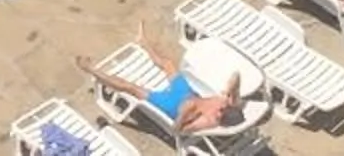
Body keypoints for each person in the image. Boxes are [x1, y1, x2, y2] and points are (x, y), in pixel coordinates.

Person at [77, 45, 241, 137]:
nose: (219, 109)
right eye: (223, 108)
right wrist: (231, 87)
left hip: (171, 105)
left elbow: (177, 132)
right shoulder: (228, 103)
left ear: (219, 119)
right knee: (169, 64)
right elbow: (236, 76)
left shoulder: (207, 121)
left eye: (220, 114)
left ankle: (90, 69)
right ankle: (144, 42)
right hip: (187, 93)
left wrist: (184, 114)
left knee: (130, 87)